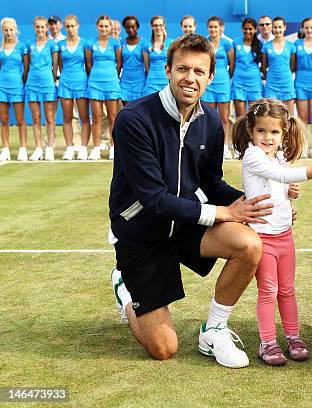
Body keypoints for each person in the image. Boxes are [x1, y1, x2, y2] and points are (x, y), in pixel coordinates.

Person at [110, 34, 273, 367]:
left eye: (199, 71)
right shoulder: (133, 119)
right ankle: (125, 288)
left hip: (185, 224)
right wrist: (222, 212)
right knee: (164, 348)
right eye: (183, 69)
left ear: (210, 77)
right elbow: (154, 199)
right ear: (168, 70)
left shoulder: (211, 121)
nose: (190, 78)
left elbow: (211, 182)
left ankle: (214, 329)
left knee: (248, 243)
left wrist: (253, 202)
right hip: (143, 234)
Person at [232, 98, 312, 366]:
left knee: (288, 290)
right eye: (261, 131)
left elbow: (280, 182)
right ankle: (267, 342)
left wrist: (288, 193)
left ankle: (293, 337)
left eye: (274, 132)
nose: (267, 137)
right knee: (268, 290)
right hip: (263, 238)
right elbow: (280, 176)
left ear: (283, 133)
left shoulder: (278, 156)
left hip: (284, 236)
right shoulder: (253, 155)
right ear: (251, 131)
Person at [85, 15, 122, 161]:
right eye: (101, 26)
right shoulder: (90, 43)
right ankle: (96, 148)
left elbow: (119, 64)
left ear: (110, 27)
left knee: (113, 117)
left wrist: (113, 76)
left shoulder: (115, 43)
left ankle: (114, 148)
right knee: (97, 117)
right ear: (97, 27)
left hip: (112, 82)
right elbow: (88, 64)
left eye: (107, 26)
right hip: (94, 83)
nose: (104, 29)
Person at [25, 16, 59, 161]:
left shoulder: (52, 45)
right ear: (34, 28)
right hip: (32, 84)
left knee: (50, 118)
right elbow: (26, 66)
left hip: (48, 84)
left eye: (42, 27)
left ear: (47, 28)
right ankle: (38, 148)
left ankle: (49, 148)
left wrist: (52, 81)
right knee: (36, 118)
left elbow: (55, 66)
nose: (40, 29)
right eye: (37, 27)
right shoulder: (28, 44)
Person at [57, 15, 90, 161]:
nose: (70, 29)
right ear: (64, 27)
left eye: (72, 26)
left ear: (77, 26)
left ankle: (83, 148)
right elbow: (60, 65)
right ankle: (69, 148)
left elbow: (88, 65)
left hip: (81, 82)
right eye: (67, 26)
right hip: (65, 83)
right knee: (67, 117)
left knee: (84, 117)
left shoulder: (85, 43)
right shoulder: (60, 44)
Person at [203, 16, 234, 159]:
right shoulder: (204, 43)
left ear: (221, 28)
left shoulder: (228, 43)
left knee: (224, 117)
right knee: (209, 116)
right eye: (211, 27)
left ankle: (225, 146)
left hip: (223, 83)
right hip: (208, 83)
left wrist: (224, 77)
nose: (213, 29)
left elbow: (232, 65)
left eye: (216, 27)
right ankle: (209, 146)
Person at [0, 17, 29, 162]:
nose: (9, 32)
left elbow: (26, 69)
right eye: (6, 30)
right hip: (2, 87)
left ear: (15, 30)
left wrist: (21, 82)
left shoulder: (22, 47)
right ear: (2, 31)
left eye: (11, 30)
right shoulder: (0, 48)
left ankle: (22, 149)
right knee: (4, 120)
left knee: (20, 119)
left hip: (17, 86)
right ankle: (5, 149)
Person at [294, 17, 312, 158]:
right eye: (306, 27)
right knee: (302, 117)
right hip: (300, 83)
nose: (309, 30)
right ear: (302, 29)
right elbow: (292, 65)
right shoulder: (297, 44)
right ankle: (304, 146)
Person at [261, 17, 296, 112]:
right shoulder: (266, 46)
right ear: (272, 28)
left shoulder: (291, 46)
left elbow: (292, 66)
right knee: (272, 114)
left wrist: (284, 74)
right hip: (271, 84)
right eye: (275, 27)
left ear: (285, 27)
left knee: (289, 115)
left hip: (287, 83)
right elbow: (263, 67)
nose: (277, 30)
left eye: (280, 27)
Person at [120, 16, 149, 106]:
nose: (131, 29)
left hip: (140, 81)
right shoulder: (121, 42)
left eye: (133, 27)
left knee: (140, 109)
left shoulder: (144, 43)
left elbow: (147, 66)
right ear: (124, 28)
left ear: (137, 27)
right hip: (125, 81)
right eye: (128, 27)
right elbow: (119, 63)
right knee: (126, 110)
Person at [143, 16, 171, 96]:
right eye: (155, 25)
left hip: (166, 80)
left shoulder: (171, 43)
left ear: (164, 25)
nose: (158, 27)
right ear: (151, 26)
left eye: (160, 25)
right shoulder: (147, 44)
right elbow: (147, 66)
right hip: (152, 81)